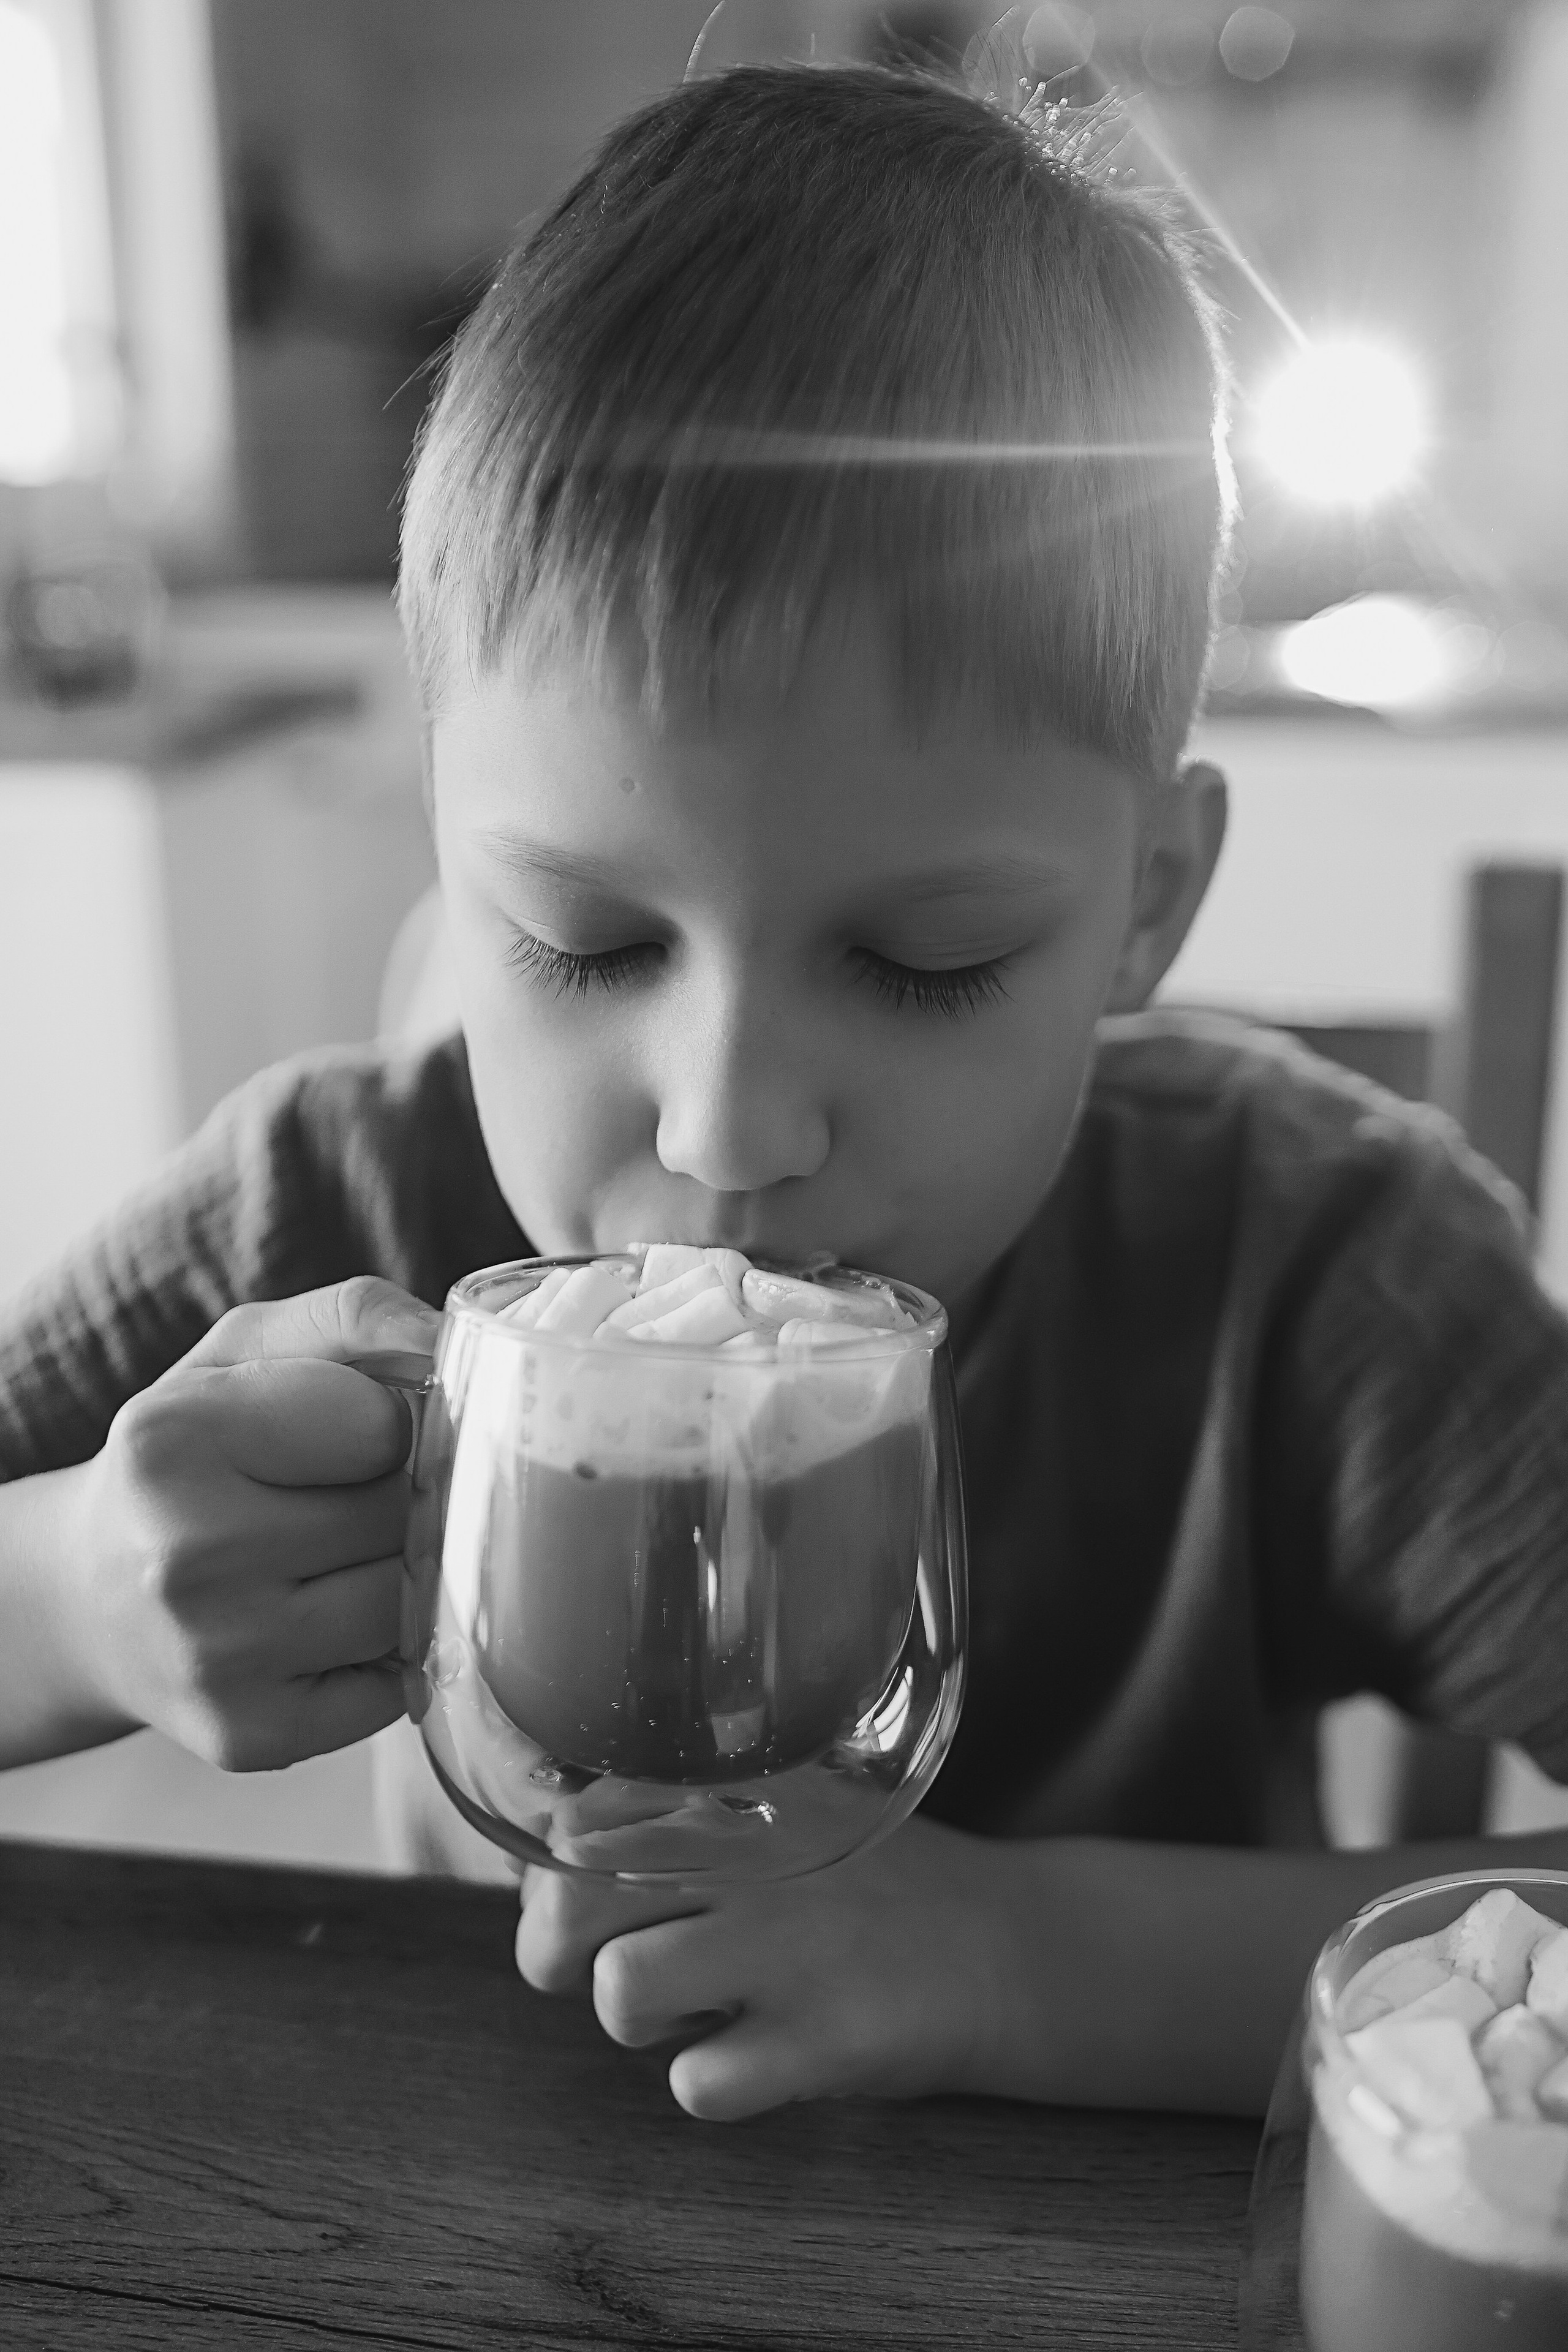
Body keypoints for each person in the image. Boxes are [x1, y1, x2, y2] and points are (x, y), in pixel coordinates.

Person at [4, 60, 1567, 2128]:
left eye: (920, 965)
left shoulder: (1329, 1275)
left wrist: (1032, 1961)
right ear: (446, 839)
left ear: (1146, 904)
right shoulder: (324, 1212)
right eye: (585, 943)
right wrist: (64, 1598)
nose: (727, 1128)